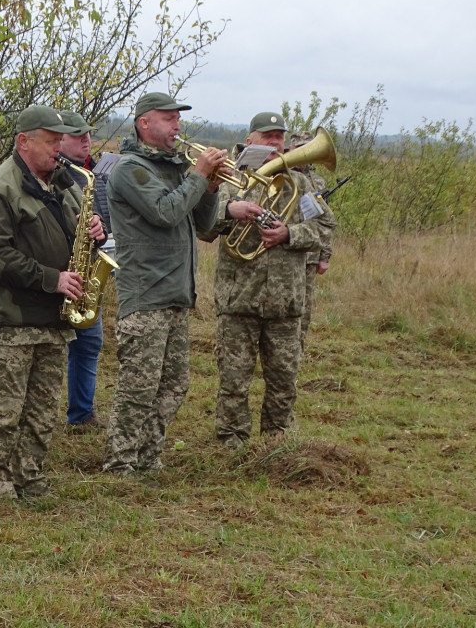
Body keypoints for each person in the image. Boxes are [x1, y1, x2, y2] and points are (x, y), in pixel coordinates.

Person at [0, 105, 104, 499]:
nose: (59, 149)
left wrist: (95, 232)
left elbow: (77, 238)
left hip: (53, 319)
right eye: (51, 141)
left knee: (42, 410)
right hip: (10, 318)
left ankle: (31, 476)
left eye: (61, 140)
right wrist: (53, 279)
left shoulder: (66, 185)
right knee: (3, 412)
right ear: (23, 142)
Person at [101, 92, 224, 477]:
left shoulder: (175, 168)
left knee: (174, 385)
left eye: (178, 119)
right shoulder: (130, 169)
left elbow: (203, 227)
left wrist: (211, 188)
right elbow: (166, 212)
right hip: (145, 293)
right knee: (139, 386)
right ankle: (119, 461)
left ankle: (147, 457)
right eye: (169, 119)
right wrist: (198, 176)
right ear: (144, 123)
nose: (177, 127)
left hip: (175, 294)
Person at [203, 112, 337, 450]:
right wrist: (228, 210)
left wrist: (289, 233)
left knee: (284, 379)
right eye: (268, 136)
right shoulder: (227, 178)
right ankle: (231, 440)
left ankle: (277, 440)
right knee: (234, 379)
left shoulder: (301, 184)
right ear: (250, 140)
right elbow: (203, 227)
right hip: (239, 298)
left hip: (286, 300)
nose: (276, 143)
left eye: (280, 136)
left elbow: (323, 228)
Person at [57, 110, 107, 431]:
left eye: (88, 134)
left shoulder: (92, 174)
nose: (86, 140)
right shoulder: (50, 174)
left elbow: (106, 220)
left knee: (88, 343)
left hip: (84, 271)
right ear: (59, 139)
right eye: (78, 135)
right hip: (53, 274)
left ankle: (81, 414)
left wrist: (99, 230)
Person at [288, 130, 335, 354]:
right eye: (299, 148)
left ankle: (298, 350)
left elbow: (325, 223)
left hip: (310, 253)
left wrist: (324, 256)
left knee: (304, 308)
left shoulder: (317, 181)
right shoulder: (282, 174)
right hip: (286, 250)